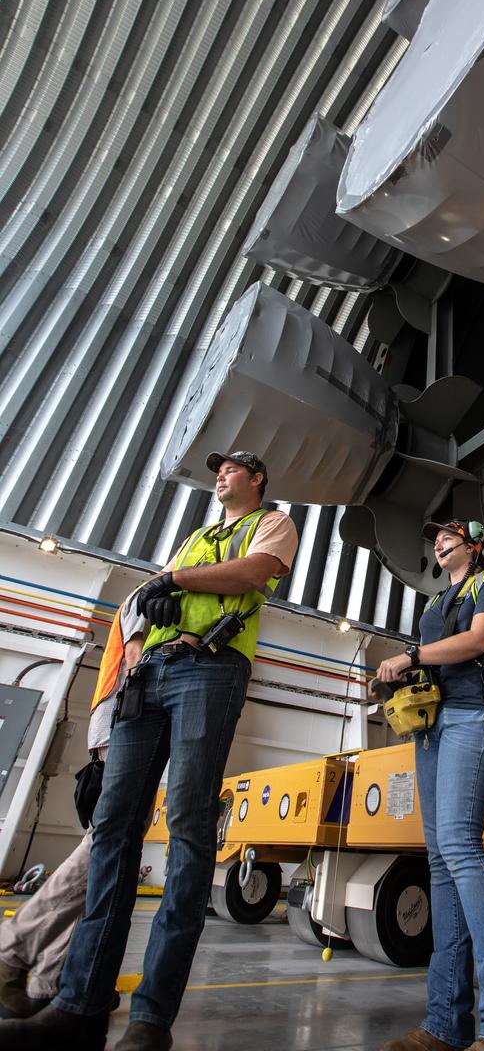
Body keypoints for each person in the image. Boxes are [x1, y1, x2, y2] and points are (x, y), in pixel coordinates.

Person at [0, 450, 297, 1051]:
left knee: (188, 828)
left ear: (257, 478)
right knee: (112, 830)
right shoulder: (194, 538)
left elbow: (251, 573)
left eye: (232, 468)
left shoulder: (272, 523)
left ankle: (150, 1022)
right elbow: (142, 597)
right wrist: (137, 641)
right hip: (151, 675)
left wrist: (174, 583)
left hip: (210, 671)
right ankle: (79, 1007)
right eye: (218, 469)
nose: (220, 474)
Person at [373, 520, 484, 1051]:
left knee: (463, 850)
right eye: (434, 539)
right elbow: (433, 657)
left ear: (475, 544)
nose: (438, 543)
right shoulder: (434, 600)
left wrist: (412, 656)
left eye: (449, 536)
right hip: (432, 726)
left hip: (475, 715)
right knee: (440, 860)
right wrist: (399, 675)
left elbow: (481, 638)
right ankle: (444, 1025)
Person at [0, 598, 140, 1018]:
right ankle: (13, 947)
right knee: (105, 845)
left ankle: (50, 978)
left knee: (105, 850)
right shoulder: (151, 595)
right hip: (125, 723)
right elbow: (135, 660)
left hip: (118, 722)